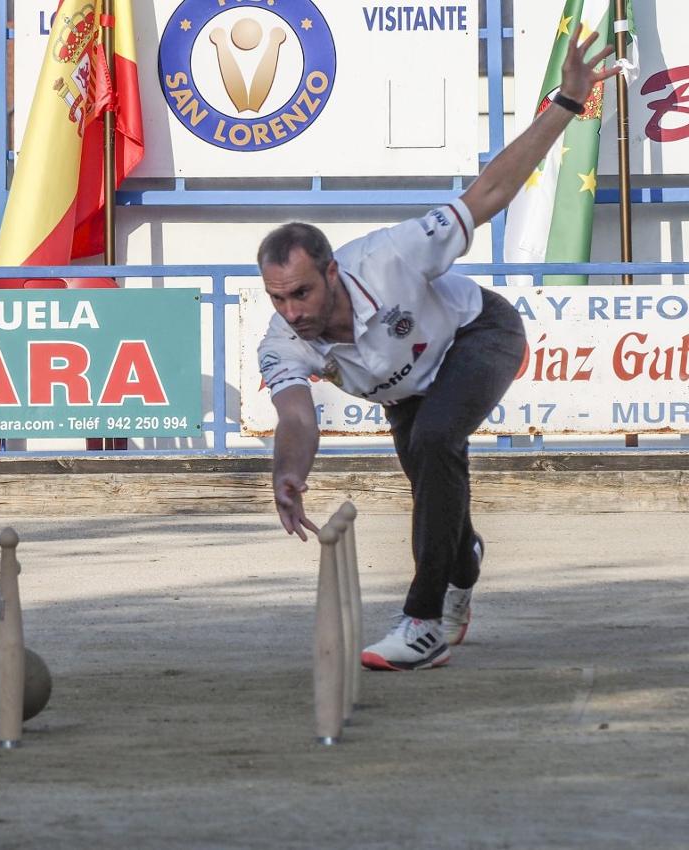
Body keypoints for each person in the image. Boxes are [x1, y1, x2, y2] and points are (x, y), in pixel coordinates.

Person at [256, 27, 619, 671]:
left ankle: (421, 622)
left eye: (303, 294)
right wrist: (290, 471)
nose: (294, 312)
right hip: (411, 393)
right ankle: (463, 561)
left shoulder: (393, 254)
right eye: (278, 298)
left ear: (333, 271)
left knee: (433, 445)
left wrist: (566, 101)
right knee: (434, 483)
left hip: (479, 335)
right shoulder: (285, 338)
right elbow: (295, 415)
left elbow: (489, 193)